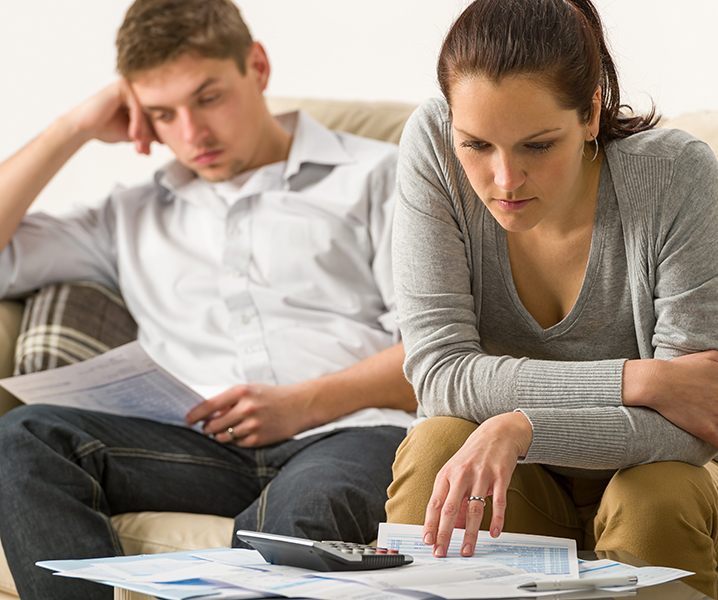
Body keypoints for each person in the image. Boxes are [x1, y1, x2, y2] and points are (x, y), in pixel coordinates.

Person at [0, 1, 417, 598]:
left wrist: (300, 404)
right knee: (23, 438)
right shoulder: (127, 214)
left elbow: (434, 353)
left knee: (295, 530)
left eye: (208, 97)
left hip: (348, 432)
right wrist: (72, 128)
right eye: (162, 113)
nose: (192, 134)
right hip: (194, 449)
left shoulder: (380, 176)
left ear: (258, 66)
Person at [384, 0, 718, 597]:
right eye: (477, 145)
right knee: (435, 453)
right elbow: (440, 375)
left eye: (537, 146)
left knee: (651, 500)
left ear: (590, 114)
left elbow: (696, 426)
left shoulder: (676, 175)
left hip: (680, 469)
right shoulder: (432, 144)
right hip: (530, 480)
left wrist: (526, 426)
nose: (504, 181)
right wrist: (639, 380)